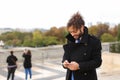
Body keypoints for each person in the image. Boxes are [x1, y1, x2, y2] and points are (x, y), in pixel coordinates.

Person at [62, 12, 102, 80]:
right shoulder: (70, 39)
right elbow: (66, 56)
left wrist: (79, 66)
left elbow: (97, 62)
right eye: (71, 32)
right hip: (71, 77)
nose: (72, 34)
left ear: (82, 27)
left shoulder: (94, 41)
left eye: (74, 31)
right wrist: (64, 63)